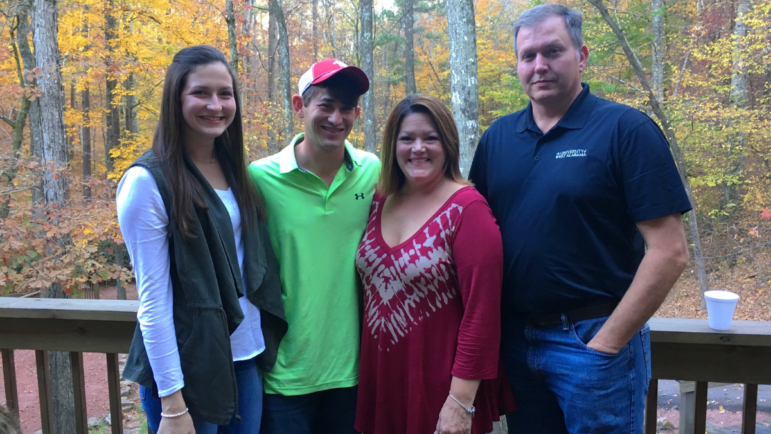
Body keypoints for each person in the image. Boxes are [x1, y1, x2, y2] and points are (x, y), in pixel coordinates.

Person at [469, 4, 692, 433]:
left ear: (582, 55)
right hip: (517, 341)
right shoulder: (498, 139)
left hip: (592, 340)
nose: (539, 65)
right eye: (527, 56)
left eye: (553, 51)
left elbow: (670, 251)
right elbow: (472, 236)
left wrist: (606, 343)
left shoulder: (625, 130)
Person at [117, 45, 286, 434]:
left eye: (225, 94)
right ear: (176, 99)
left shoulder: (234, 169)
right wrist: (173, 404)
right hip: (187, 372)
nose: (216, 105)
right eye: (201, 93)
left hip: (244, 358)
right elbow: (154, 303)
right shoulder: (148, 182)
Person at [355, 94, 515, 434]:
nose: (418, 148)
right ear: (392, 145)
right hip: (382, 380)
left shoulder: (468, 210)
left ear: (448, 143)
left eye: (431, 138)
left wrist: (460, 402)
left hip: (440, 388)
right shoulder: (380, 199)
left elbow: (482, 315)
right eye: (407, 138)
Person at [248, 59, 381, 434]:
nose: (337, 118)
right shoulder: (260, 178)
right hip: (284, 376)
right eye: (326, 104)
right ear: (299, 106)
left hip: (353, 373)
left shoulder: (373, 171)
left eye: (347, 108)